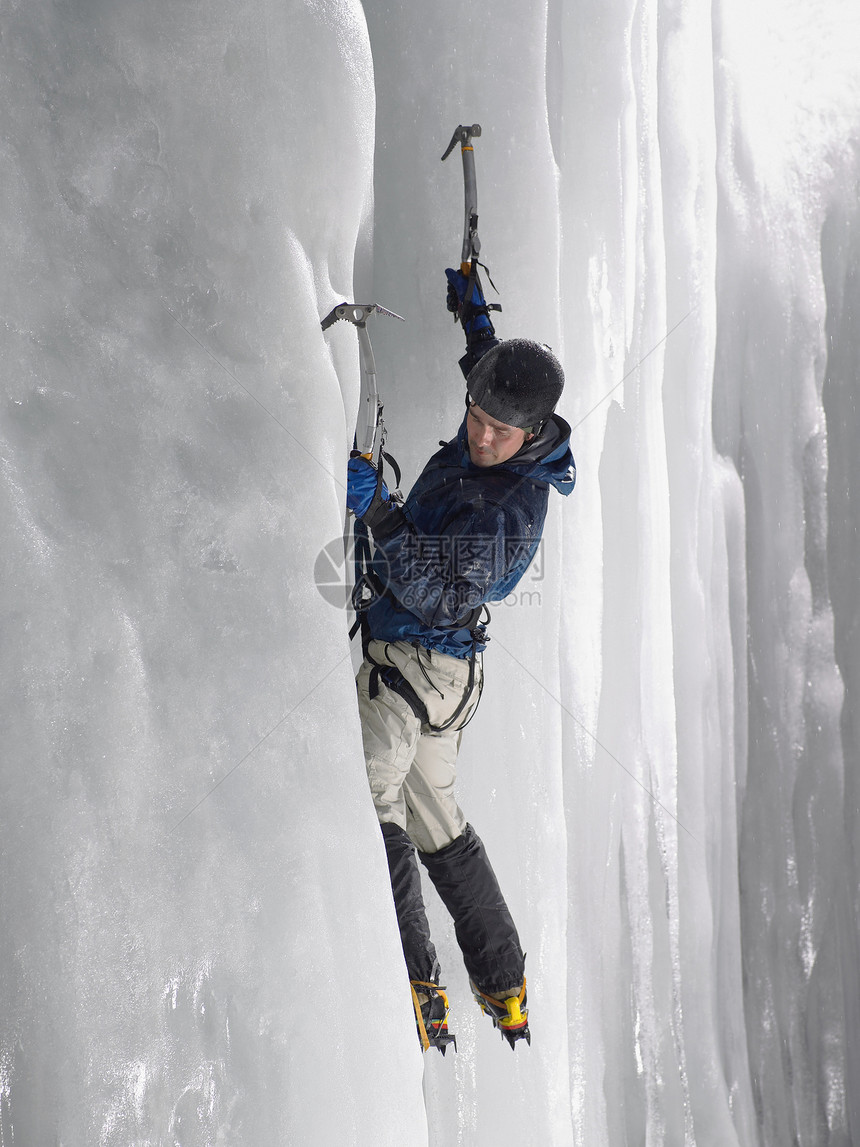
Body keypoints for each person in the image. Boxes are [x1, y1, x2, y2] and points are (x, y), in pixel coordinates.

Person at [346, 269, 576, 1051]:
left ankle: (412, 978)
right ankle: (504, 982)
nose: (480, 435)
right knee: (437, 819)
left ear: (534, 435)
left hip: (421, 661)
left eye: (498, 430)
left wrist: (376, 509)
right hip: (449, 679)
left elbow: (440, 593)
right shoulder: (506, 411)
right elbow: (493, 371)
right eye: (475, 415)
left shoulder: (505, 517)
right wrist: (477, 318)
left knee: (373, 784)